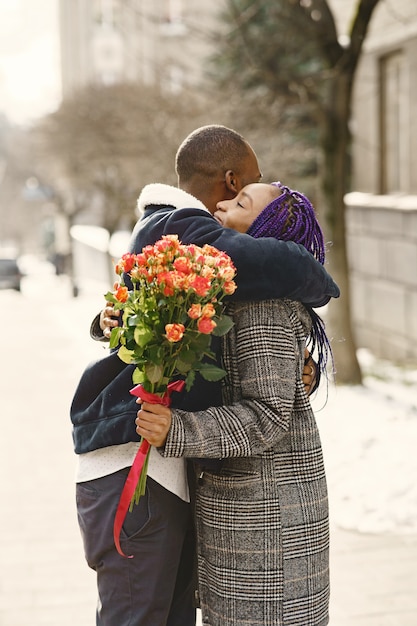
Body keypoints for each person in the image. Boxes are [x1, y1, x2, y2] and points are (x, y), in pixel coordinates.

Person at [71, 125, 339, 626]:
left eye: (244, 201)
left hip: (259, 517)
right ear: (230, 179)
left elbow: (267, 406)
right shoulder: (184, 232)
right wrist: (317, 279)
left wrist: (298, 359)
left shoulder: (250, 296)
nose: (228, 205)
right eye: (242, 189)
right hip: (154, 470)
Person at [134, 181, 332, 626]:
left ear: (265, 227)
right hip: (253, 532)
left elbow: (268, 415)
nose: (220, 205)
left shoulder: (261, 304)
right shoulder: (239, 292)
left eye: (240, 202)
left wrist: (177, 429)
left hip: (268, 543)